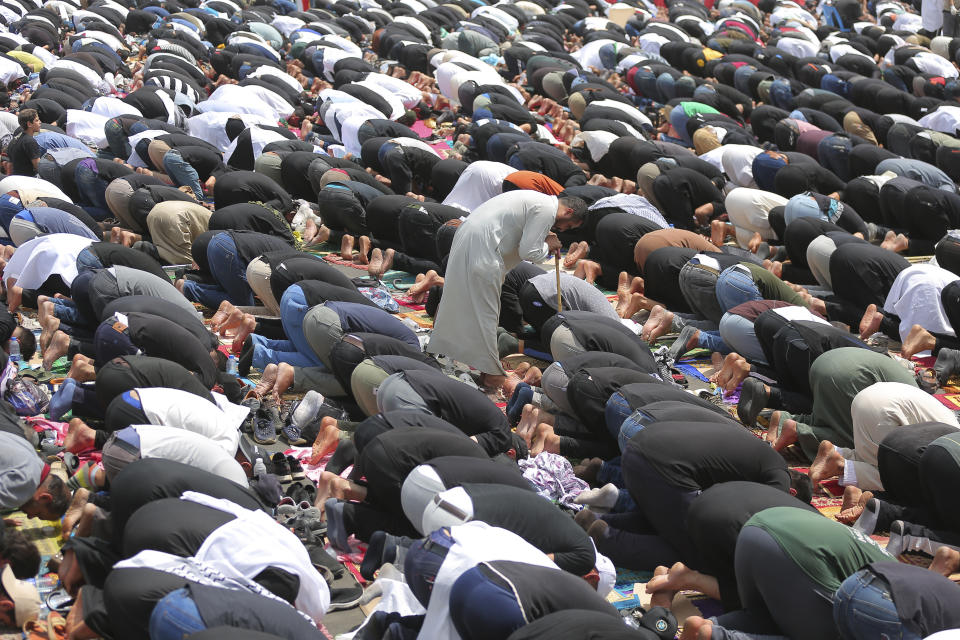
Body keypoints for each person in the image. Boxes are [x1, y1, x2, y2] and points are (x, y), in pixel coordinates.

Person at [427, 191, 586, 387]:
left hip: (470, 242)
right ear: (569, 211)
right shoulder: (547, 210)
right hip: (483, 251)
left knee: (458, 300)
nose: (562, 229)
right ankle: (491, 372)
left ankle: (440, 349)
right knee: (487, 313)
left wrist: (545, 237)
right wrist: (549, 246)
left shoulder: (538, 201)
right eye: (567, 225)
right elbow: (530, 252)